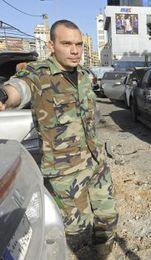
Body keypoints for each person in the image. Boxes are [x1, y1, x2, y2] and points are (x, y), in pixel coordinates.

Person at [0, 20, 118, 257]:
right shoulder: (38, 75)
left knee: (108, 214)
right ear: (51, 44)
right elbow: (18, 89)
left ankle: (104, 254)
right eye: (66, 44)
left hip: (96, 162)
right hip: (65, 172)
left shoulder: (84, 75)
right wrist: (3, 95)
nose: (75, 50)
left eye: (78, 45)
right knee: (73, 229)